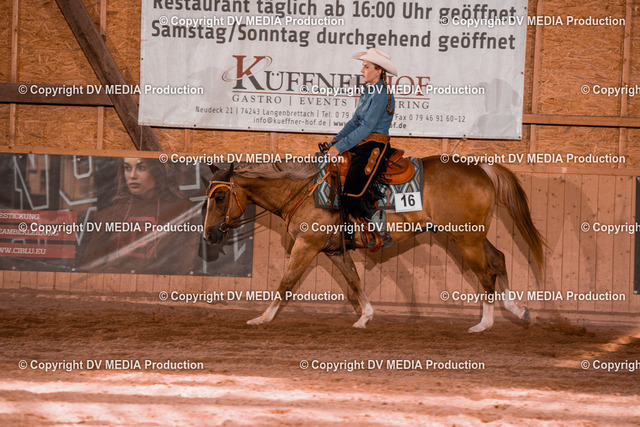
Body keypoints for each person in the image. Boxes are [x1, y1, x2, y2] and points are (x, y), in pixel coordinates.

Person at [325, 48, 397, 248]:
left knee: (354, 187)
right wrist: (335, 142)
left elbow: (367, 127)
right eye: (363, 66)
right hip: (363, 144)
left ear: (378, 71)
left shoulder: (381, 94)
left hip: (375, 146)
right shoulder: (369, 92)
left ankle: (381, 230)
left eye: (366, 67)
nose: (361, 70)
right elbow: (355, 122)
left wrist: (341, 146)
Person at [82, 157, 199, 274]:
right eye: (127, 168)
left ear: (158, 171)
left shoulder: (182, 211)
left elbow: (184, 268)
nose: (132, 175)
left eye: (141, 167)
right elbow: (90, 268)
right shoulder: (108, 215)